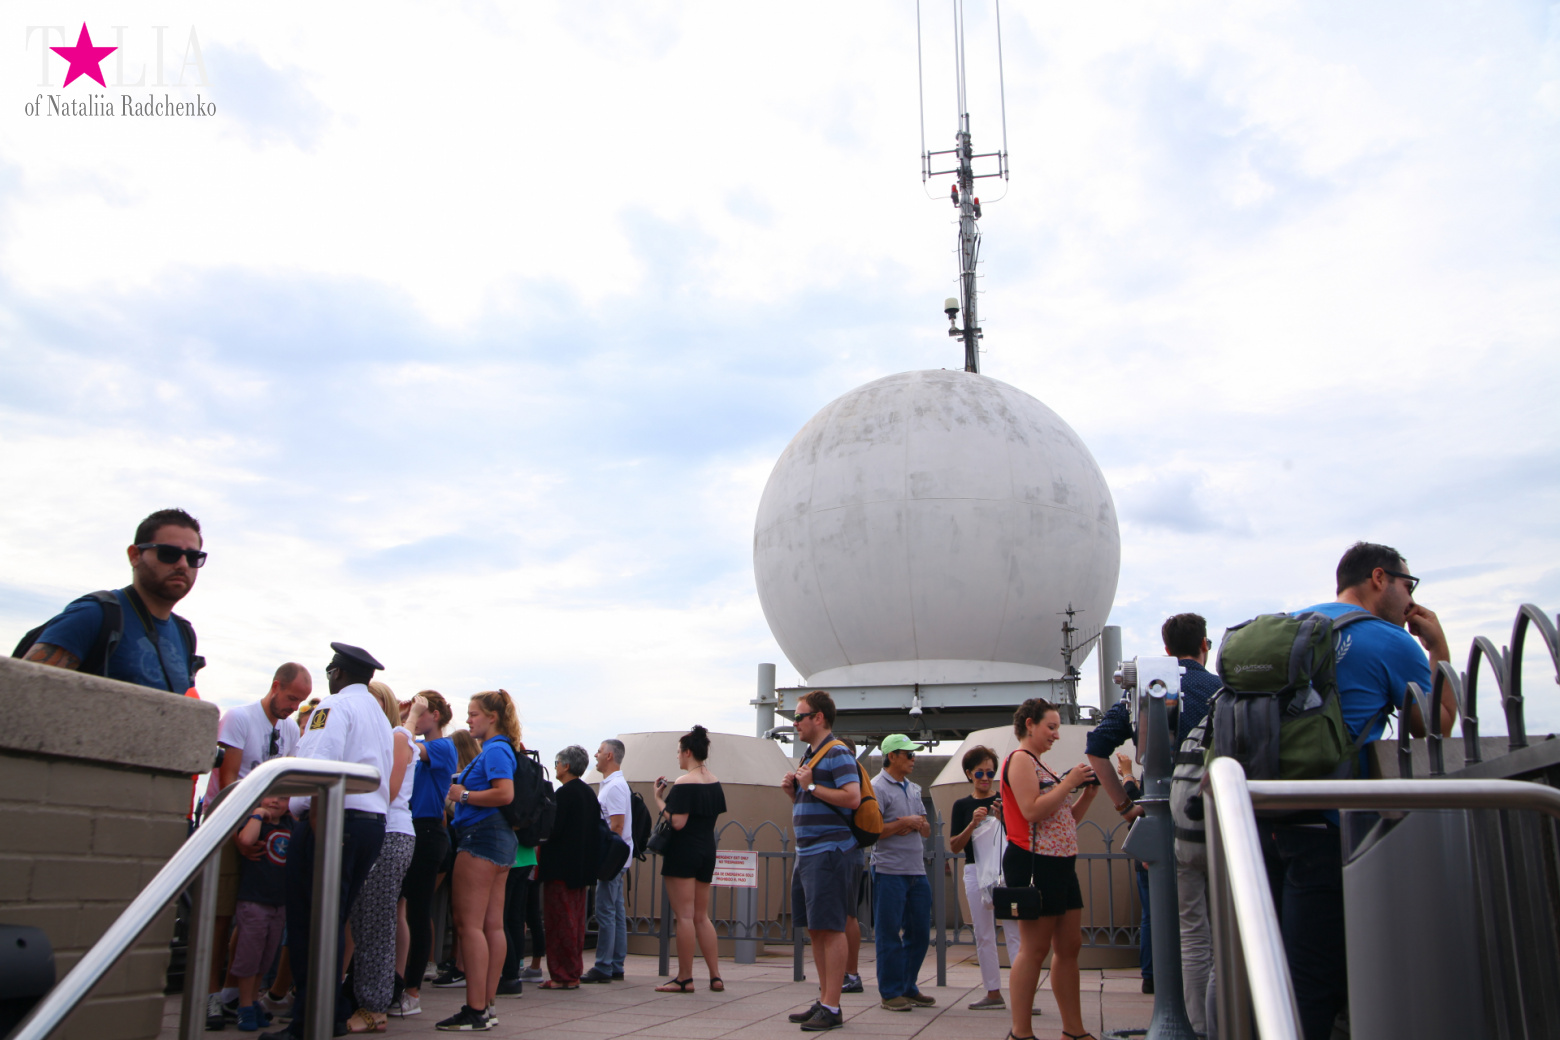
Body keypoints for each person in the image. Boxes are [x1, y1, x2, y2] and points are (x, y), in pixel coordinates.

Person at [1268, 542, 1454, 1040]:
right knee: (1319, 985)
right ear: (1379, 578)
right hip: (1332, 828)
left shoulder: (1292, 627)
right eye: (1407, 585)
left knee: (1277, 971)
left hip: (1265, 816)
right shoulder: (1388, 640)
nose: (1409, 597)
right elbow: (1437, 726)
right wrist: (1437, 647)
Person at [261, 644, 392, 1040]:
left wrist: (315, 821)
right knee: (331, 922)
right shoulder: (378, 715)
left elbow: (318, 767)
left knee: (310, 924)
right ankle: (329, 1013)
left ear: (337, 673)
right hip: (369, 823)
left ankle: (308, 1021)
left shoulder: (334, 707)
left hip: (332, 820)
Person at [203, 663, 312, 1029]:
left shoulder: (289, 729)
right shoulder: (240, 718)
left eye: (299, 702)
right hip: (231, 821)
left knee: (255, 912)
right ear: (275, 686)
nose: (293, 708)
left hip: (268, 827)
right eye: (291, 698)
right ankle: (211, 993)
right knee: (222, 913)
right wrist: (239, 828)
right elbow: (229, 778)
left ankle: (235, 992)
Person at [23, 507, 205, 691]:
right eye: (169, 553)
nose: (183, 565)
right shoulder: (92, 616)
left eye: (193, 557)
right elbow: (22, 691)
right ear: (135, 556)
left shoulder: (185, 634)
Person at [1003, 698, 1099, 1040]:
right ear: (1030, 724)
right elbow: (1031, 811)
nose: (1056, 735)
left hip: (1060, 862)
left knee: (1069, 945)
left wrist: (1086, 794)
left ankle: (1073, 1030)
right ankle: (1021, 1032)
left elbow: (1063, 820)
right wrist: (1068, 783)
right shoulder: (1020, 760)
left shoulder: (1041, 765)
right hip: (1035, 862)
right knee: (1035, 949)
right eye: (1051, 727)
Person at [437, 691, 522, 1031]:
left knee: (469, 924)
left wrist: (464, 795)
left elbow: (505, 793)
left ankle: (475, 1009)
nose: (468, 719)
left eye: (473, 714)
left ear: (492, 717)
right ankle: (486, 1006)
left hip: (481, 839)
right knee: (492, 925)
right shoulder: (501, 749)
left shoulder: (495, 750)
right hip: (498, 841)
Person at [781, 691, 862, 1033]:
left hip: (829, 852)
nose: (794, 723)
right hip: (808, 852)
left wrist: (811, 787)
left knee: (830, 927)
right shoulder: (811, 755)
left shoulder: (837, 752)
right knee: (816, 928)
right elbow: (815, 799)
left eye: (799, 716)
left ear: (819, 718)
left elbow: (852, 798)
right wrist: (796, 792)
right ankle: (825, 998)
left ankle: (832, 1005)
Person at [345, 683, 417, 1033]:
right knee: (367, 920)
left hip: (388, 832)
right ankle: (368, 999)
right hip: (383, 831)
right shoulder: (386, 737)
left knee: (375, 921)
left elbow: (388, 791)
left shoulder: (395, 737)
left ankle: (374, 1006)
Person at [390, 691, 455, 1018]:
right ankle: (395, 982)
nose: (416, 717)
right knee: (397, 908)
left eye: (422, 711)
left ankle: (412, 990)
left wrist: (407, 719)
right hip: (408, 827)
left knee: (417, 911)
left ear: (436, 715)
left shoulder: (443, 747)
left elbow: (406, 747)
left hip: (427, 831)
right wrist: (404, 717)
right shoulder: (413, 741)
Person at [652, 725, 727, 994]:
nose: (677, 756)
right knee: (701, 916)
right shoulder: (714, 781)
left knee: (684, 916)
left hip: (683, 853)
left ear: (687, 752)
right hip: (707, 851)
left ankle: (684, 978)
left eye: (678, 752)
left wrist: (658, 799)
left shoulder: (684, 782)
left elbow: (678, 822)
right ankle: (715, 976)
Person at [948, 744, 1021, 1011]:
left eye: (991, 773)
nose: (986, 778)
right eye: (980, 773)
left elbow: (1020, 837)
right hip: (975, 870)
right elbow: (955, 847)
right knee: (984, 933)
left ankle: (1023, 995)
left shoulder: (1004, 801)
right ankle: (993, 991)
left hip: (1005, 871)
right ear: (969, 774)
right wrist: (972, 824)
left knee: (1014, 932)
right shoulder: (962, 805)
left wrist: (1004, 820)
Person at [868, 734, 933, 1012]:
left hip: (916, 871)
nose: (913, 759)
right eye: (908, 754)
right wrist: (904, 822)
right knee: (889, 933)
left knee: (920, 932)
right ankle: (891, 992)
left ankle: (908, 986)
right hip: (889, 871)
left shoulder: (914, 788)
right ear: (891, 756)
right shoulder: (876, 787)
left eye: (913, 754)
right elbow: (873, 830)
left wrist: (916, 823)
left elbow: (926, 828)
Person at [537, 745, 601, 989]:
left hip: (560, 868)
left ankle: (562, 974)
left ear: (566, 766)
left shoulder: (563, 795)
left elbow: (553, 830)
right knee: (575, 923)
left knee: (559, 923)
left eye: (557, 762)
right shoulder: (588, 794)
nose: (555, 767)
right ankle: (572, 971)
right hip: (581, 870)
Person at [231, 796, 292, 1032]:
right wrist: (257, 814)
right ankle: (244, 1005)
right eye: (271, 794)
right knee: (249, 955)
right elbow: (246, 840)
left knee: (266, 958)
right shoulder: (253, 821)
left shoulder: (290, 825)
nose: (275, 801)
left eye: (283, 798)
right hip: (254, 900)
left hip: (279, 903)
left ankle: (254, 1000)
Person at [581, 738, 633, 985]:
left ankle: (604, 965)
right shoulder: (615, 785)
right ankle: (615, 964)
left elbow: (617, 825)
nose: (596, 755)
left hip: (613, 859)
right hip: (620, 858)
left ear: (610, 755)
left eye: (600, 751)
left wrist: (605, 858)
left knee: (606, 911)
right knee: (616, 911)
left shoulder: (614, 787)